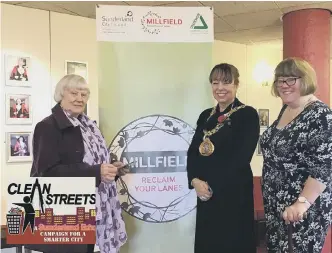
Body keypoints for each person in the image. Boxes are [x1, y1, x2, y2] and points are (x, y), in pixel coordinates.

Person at [28, 74, 128, 253]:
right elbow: (47, 173)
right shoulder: (48, 126)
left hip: (91, 206)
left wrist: (111, 168)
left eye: (84, 95)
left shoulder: (89, 126)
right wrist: (96, 172)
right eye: (74, 93)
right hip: (64, 210)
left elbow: (91, 162)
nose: (80, 99)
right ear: (61, 95)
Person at [260, 57, 332, 253]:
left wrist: (302, 203)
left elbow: (323, 168)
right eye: (280, 80)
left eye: (291, 79)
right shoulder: (287, 109)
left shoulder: (320, 115)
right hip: (276, 205)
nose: (284, 85)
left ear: (305, 79)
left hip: (301, 210)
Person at [187, 63, 260, 253]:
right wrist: (195, 180)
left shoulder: (247, 114)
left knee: (233, 243)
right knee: (208, 243)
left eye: (226, 82)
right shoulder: (205, 116)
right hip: (205, 194)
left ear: (236, 85)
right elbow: (193, 152)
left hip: (233, 193)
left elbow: (241, 157)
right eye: (215, 82)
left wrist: (211, 185)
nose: (220, 88)